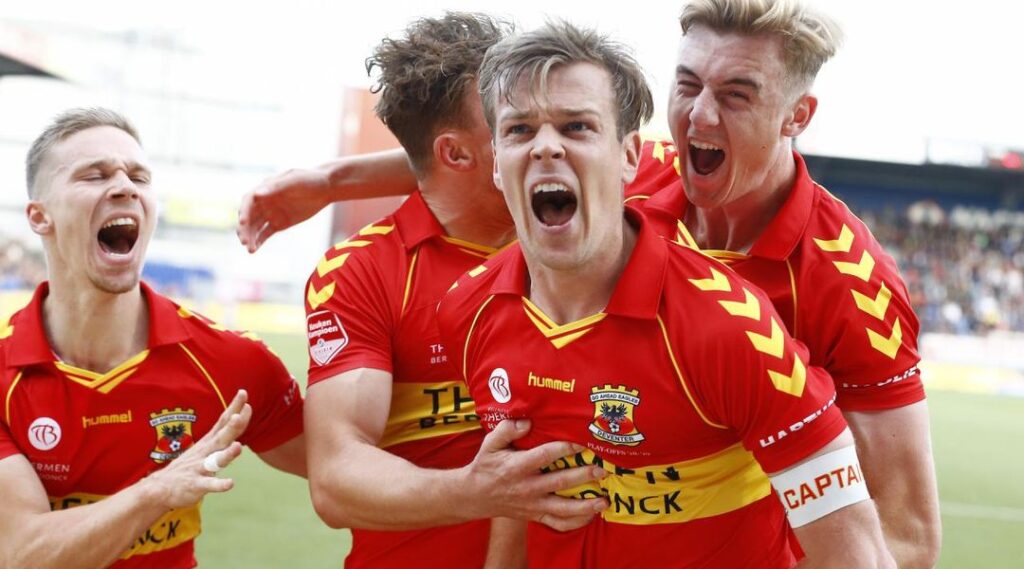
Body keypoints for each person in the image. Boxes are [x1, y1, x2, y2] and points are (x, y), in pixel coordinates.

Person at [236, 3, 940, 565]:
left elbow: (906, 535)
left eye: (737, 95)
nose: (699, 117)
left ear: (796, 116)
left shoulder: (845, 282)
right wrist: (329, 180)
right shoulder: (637, 181)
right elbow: (490, 151)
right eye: (687, 86)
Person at [435, 20, 894, 568]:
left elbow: (859, 555)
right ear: (495, 162)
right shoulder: (466, 312)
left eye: (577, 127)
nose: (547, 147)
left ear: (630, 156)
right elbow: (518, 501)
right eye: (519, 130)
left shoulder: (731, 330)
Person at [294, 13, 606, 569]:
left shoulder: (596, 215)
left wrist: (333, 179)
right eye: (512, 121)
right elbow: (336, 479)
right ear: (456, 154)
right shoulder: (364, 270)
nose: (545, 140)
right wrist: (476, 491)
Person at [0, 108, 306, 569]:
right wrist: (158, 490)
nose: (125, 187)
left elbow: (349, 472)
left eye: (139, 177)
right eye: (95, 175)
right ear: (40, 217)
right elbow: (23, 554)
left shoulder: (230, 361)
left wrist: (343, 183)